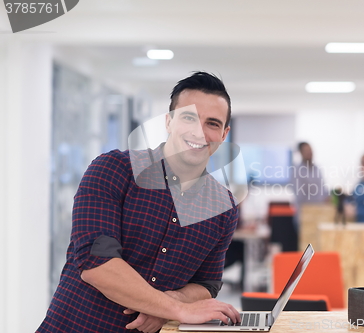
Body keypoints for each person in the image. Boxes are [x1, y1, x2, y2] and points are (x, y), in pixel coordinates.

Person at [37, 72, 241, 333]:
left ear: (224, 134)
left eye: (212, 123)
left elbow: (207, 284)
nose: (199, 132)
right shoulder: (114, 169)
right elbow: (96, 264)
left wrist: (168, 303)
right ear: (169, 122)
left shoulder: (223, 207)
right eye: (189, 117)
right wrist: (176, 309)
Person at [291, 142, 330, 231]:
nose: (309, 152)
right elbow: (301, 196)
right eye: (306, 150)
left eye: (310, 150)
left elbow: (323, 189)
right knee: (307, 244)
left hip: (319, 216)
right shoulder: (297, 171)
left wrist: (328, 197)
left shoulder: (317, 169)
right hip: (305, 217)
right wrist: (321, 199)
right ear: (301, 153)